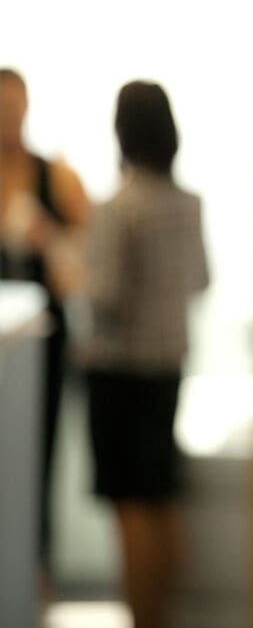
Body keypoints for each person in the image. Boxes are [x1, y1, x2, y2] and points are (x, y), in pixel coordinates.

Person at [79, 81, 208, 628]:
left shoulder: (118, 208)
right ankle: (165, 616)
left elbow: (105, 295)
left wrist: (70, 266)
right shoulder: (188, 205)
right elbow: (201, 280)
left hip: (120, 370)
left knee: (130, 505)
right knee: (161, 496)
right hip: (167, 366)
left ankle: (143, 619)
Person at [0, 67, 91, 579]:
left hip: (39, 348)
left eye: (14, 109)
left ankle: (35, 579)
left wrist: (46, 238)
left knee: (37, 461)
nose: (7, 119)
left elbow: (87, 269)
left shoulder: (56, 176)